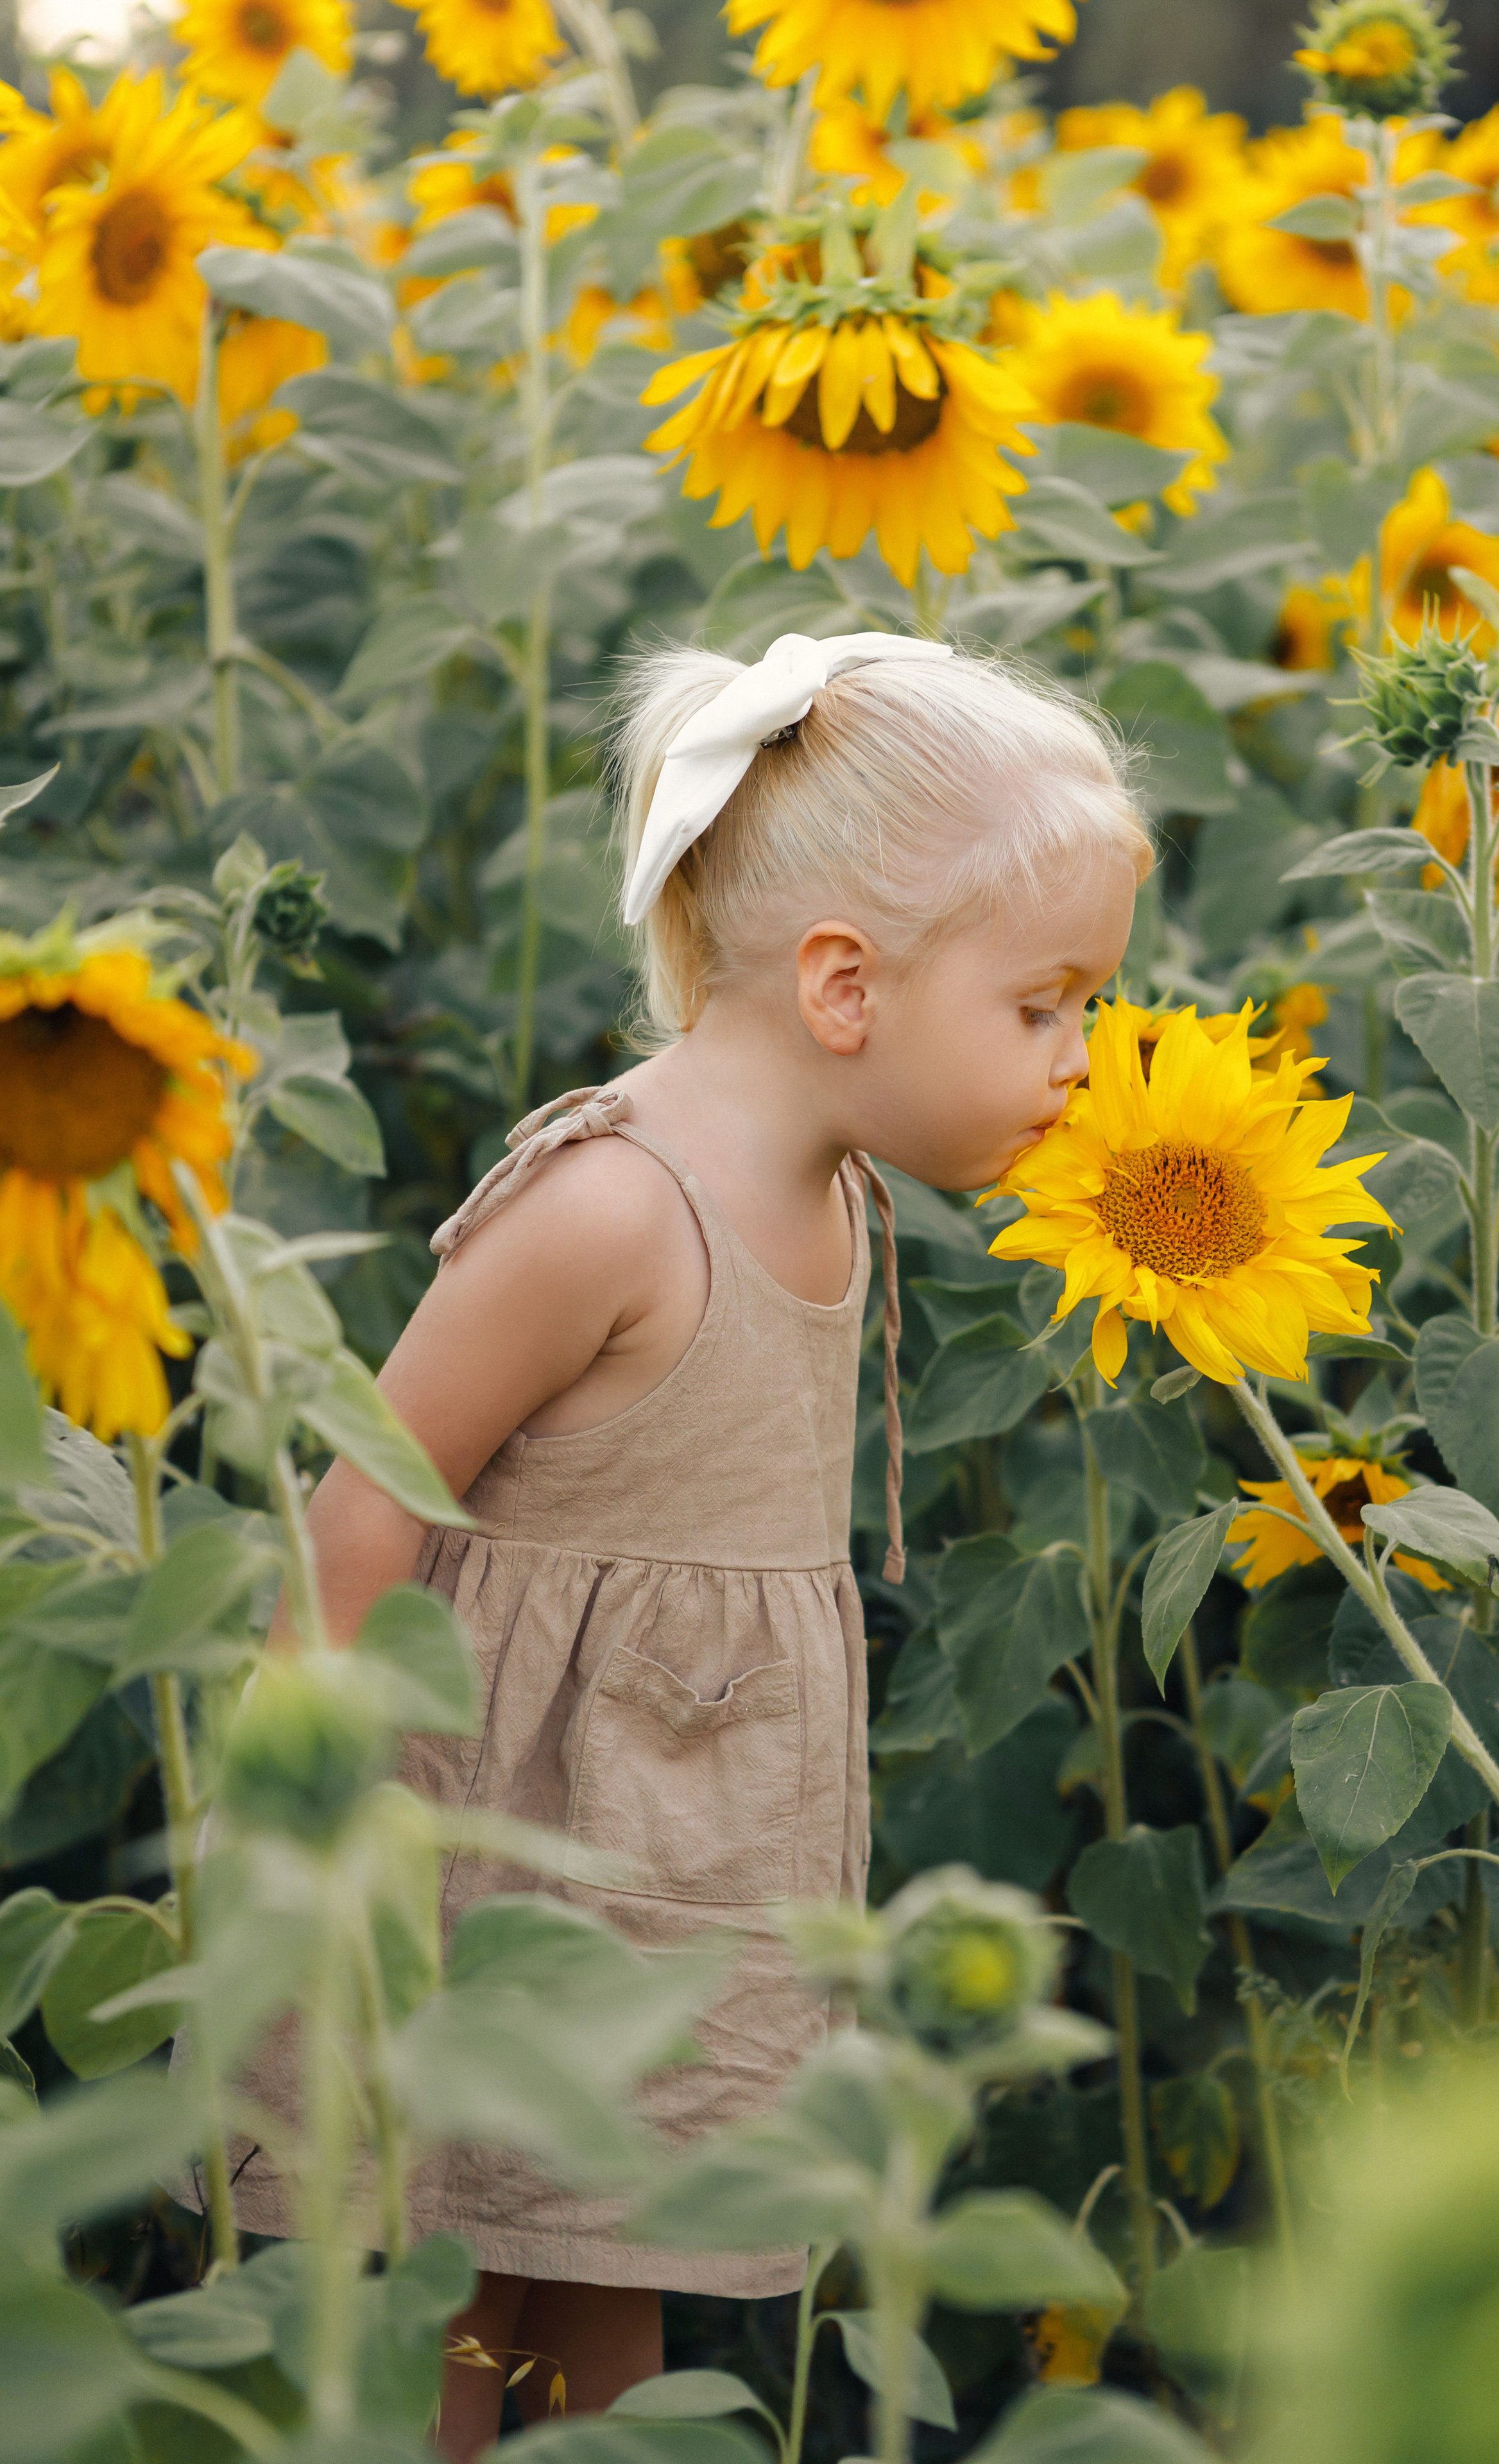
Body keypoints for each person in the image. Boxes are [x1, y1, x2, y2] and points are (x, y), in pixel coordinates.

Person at [236, 631, 1150, 2460]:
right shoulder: (611, 1209)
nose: (1081, 1061)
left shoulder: (833, 1188)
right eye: (1045, 1008)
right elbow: (366, 1502)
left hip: (678, 1857)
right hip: (481, 1874)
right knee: (438, 2308)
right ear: (844, 985)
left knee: (617, 2288)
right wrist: (291, 1862)